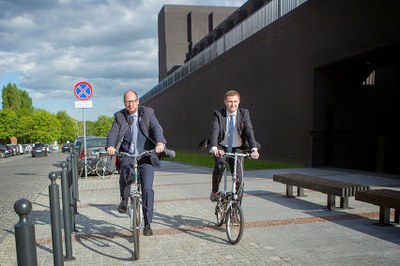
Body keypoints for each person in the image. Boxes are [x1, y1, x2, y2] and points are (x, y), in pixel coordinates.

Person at [106, 90, 166, 236]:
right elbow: (113, 132)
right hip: (128, 153)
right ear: (124, 103)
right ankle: (124, 198)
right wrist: (111, 145)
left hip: (145, 154)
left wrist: (159, 143)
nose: (130, 104)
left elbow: (156, 128)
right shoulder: (120, 116)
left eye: (132, 101)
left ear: (138, 101)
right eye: (127, 102)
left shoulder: (148, 113)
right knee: (125, 175)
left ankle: (147, 223)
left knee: (147, 188)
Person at [208, 90, 260, 202]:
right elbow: (215, 130)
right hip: (221, 146)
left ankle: (236, 206)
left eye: (235, 101)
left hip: (238, 148)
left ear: (239, 101)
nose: (233, 104)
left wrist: (254, 149)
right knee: (220, 166)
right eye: (230, 102)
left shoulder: (244, 113)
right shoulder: (218, 113)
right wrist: (214, 148)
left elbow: (249, 131)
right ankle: (215, 191)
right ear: (225, 102)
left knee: (239, 179)